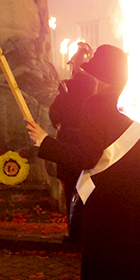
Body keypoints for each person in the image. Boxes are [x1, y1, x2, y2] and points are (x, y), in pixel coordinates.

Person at [26, 45, 140, 280]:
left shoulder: (94, 106)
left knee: (110, 269)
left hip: (105, 204)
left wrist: (45, 142)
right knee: (130, 268)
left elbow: (87, 157)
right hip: (132, 202)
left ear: (100, 77)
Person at [48, 42, 96, 242]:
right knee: (89, 190)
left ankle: (76, 234)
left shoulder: (67, 88)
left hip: (69, 142)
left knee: (71, 193)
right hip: (91, 142)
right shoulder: (96, 89)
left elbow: (54, 114)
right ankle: (90, 231)